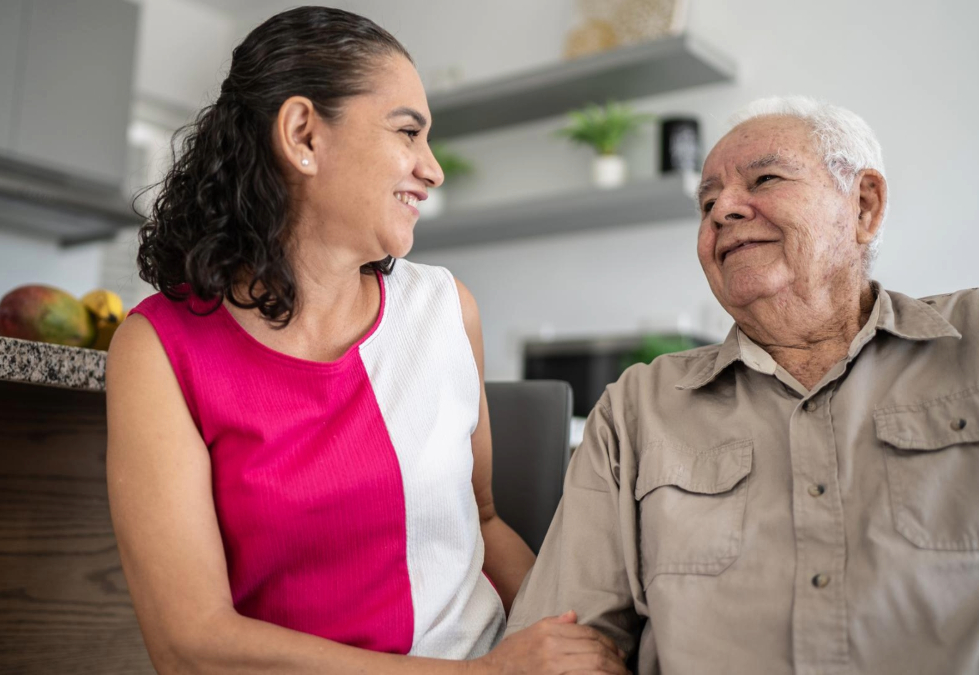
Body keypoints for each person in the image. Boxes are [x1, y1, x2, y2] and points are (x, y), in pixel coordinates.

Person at [105, 7, 623, 674]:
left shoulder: (445, 309)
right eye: (408, 131)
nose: (432, 170)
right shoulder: (159, 349)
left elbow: (486, 521)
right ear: (303, 135)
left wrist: (565, 637)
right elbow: (191, 644)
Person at [506, 95, 979, 674]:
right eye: (706, 202)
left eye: (765, 178)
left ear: (864, 207)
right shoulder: (637, 407)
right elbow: (556, 646)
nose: (723, 208)